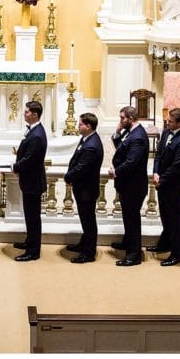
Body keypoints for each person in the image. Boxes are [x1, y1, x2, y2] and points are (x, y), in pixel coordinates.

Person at [148, 107, 180, 266]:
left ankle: (176, 253)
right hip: (163, 183)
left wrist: (162, 179)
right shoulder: (166, 132)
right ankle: (164, 243)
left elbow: (177, 166)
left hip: (174, 187)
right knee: (165, 216)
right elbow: (158, 154)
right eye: (167, 119)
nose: (167, 122)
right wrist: (155, 172)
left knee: (175, 220)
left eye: (171, 121)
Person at [110, 105, 149, 266]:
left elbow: (131, 162)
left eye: (122, 118)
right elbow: (121, 147)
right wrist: (117, 131)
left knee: (132, 219)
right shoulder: (130, 132)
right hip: (128, 184)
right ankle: (127, 243)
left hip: (134, 185)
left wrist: (116, 172)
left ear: (131, 119)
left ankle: (133, 255)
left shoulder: (138, 137)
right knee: (127, 217)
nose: (120, 121)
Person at [63, 112, 104, 264]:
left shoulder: (92, 145)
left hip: (87, 189)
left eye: (80, 124)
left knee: (88, 222)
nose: (78, 126)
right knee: (85, 219)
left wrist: (68, 176)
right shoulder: (88, 139)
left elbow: (82, 167)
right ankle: (84, 244)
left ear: (88, 126)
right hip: (83, 188)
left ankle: (89, 253)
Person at [11, 100, 47, 262]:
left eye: (26, 112)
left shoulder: (37, 135)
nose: (24, 114)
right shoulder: (34, 131)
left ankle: (34, 251)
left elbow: (30, 159)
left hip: (33, 181)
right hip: (29, 180)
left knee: (33, 217)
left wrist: (15, 167)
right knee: (29, 215)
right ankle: (30, 241)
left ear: (34, 114)